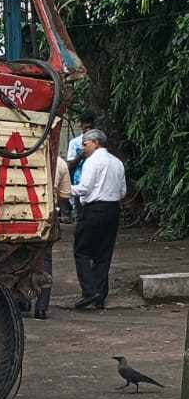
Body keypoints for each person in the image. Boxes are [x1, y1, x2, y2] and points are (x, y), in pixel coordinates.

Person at [72, 129, 126, 309]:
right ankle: (100, 296)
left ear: (95, 143)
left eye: (85, 144)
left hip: (94, 209)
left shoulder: (92, 161)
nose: (83, 148)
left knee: (82, 251)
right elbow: (123, 191)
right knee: (104, 254)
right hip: (113, 210)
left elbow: (85, 188)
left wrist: (66, 190)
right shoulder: (117, 162)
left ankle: (90, 290)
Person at [33, 151, 74, 318]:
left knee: (18, 258)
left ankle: (21, 301)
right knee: (45, 259)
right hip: (47, 216)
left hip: (20, 215)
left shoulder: (19, 156)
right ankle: (42, 307)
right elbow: (65, 195)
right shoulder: (60, 163)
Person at [66, 113, 96, 219]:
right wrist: (82, 154)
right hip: (79, 180)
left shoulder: (98, 142)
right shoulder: (75, 143)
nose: (88, 130)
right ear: (81, 126)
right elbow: (70, 164)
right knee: (81, 214)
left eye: (90, 127)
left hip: (95, 181)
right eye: (85, 127)